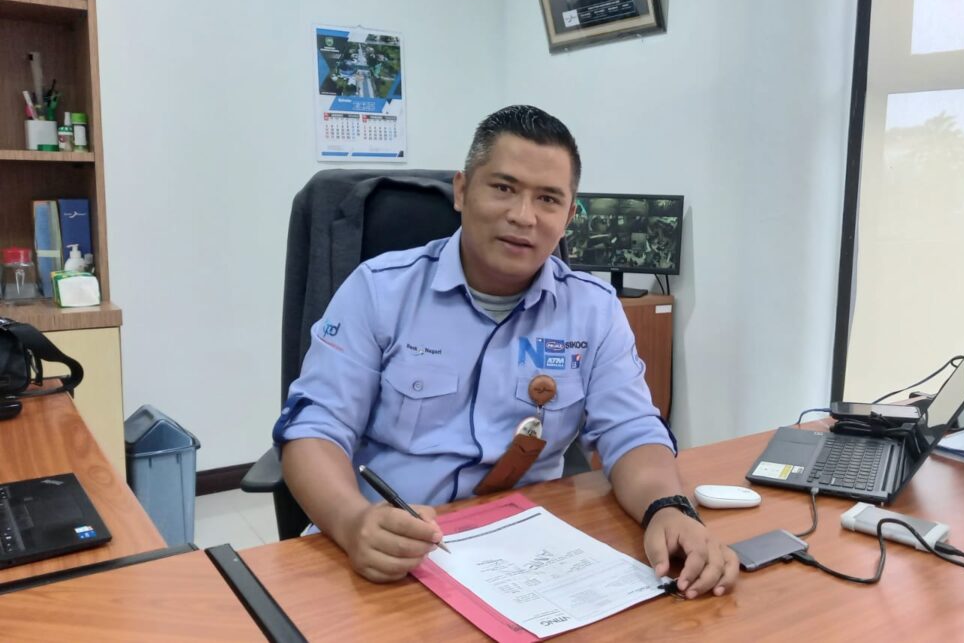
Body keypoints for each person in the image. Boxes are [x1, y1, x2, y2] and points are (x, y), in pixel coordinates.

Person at [274, 105, 737, 599]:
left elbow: (631, 431)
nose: (523, 216)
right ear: (461, 190)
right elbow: (314, 428)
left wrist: (668, 508)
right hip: (392, 549)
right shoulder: (378, 290)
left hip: (524, 559)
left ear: (569, 217)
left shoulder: (594, 310)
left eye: (548, 199)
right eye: (503, 188)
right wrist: (353, 522)